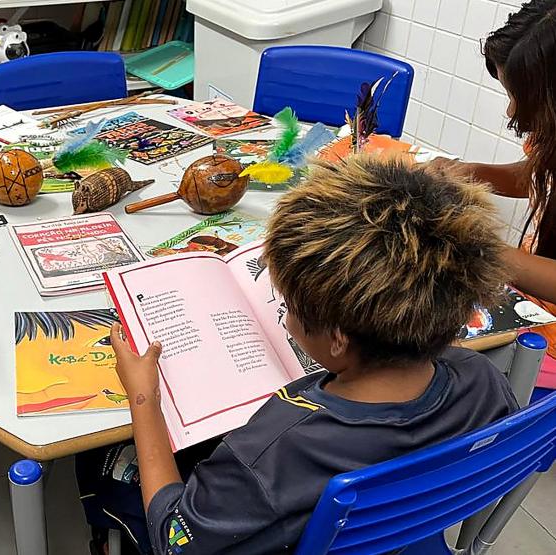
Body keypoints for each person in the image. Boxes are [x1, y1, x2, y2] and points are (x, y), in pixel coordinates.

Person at [77, 157, 519, 554]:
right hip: (401, 533)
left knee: (96, 458)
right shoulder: (481, 377)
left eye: (287, 307)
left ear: (339, 339)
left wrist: (143, 399)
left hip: (258, 519)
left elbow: (174, 539)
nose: (284, 316)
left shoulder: (275, 448)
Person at [428, 0, 556, 359]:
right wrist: (471, 173)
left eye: (519, 98)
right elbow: (538, 176)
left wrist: (480, 251)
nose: (511, 111)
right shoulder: (552, 136)